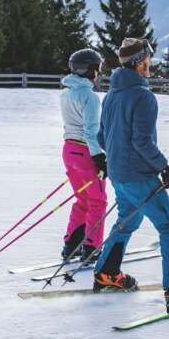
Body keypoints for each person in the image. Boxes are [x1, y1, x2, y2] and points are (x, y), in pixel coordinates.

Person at [93, 37, 169, 313]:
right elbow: (142, 141)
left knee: (127, 221)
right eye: (147, 59)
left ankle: (106, 272)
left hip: (119, 173)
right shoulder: (143, 96)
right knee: (168, 225)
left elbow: (102, 137)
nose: (149, 63)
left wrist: (119, 158)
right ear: (139, 61)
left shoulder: (112, 95)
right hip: (140, 175)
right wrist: (163, 167)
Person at [60, 49, 108, 263]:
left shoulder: (66, 93)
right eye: (97, 68)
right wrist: (98, 157)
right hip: (85, 152)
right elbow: (90, 131)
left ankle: (72, 244)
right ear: (90, 70)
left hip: (69, 150)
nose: (98, 73)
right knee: (98, 201)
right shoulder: (89, 96)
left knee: (83, 199)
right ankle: (91, 248)